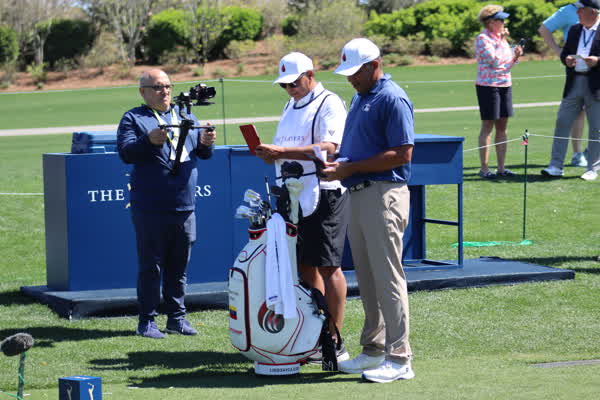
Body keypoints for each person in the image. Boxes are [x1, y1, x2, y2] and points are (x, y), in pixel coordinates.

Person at [322, 38, 415, 383]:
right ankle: (374, 349)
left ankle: (400, 358)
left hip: (383, 194)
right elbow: (361, 149)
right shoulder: (361, 96)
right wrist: (340, 164)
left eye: (355, 72)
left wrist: (351, 168)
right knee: (368, 277)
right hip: (360, 193)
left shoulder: (392, 98)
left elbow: (402, 153)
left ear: (374, 65)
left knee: (388, 277)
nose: (350, 78)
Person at [255, 52, 350, 362]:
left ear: (310, 75)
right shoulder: (290, 106)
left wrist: (281, 151)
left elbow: (329, 148)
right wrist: (272, 155)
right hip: (292, 192)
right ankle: (314, 334)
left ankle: (334, 339)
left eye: (294, 83)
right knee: (305, 266)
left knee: (329, 265)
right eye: (284, 85)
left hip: (324, 191)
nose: (289, 89)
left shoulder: (329, 102)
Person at [117, 69, 217, 338]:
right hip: (151, 206)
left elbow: (202, 154)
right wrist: (148, 141)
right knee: (151, 267)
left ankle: (176, 319)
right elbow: (126, 153)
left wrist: (207, 143)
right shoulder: (133, 118)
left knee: (179, 267)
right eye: (158, 87)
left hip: (185, 205)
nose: (165, 91)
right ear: (143, 92)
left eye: (168, 86)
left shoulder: (186, 116)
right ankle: (147, 321)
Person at [541, 0, 600, 181]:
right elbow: (566, 52)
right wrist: (566, 59)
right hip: (574, 82)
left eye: (581, 10)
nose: (577, 13)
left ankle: (593, 169)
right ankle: (555, 166)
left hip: (596, 86)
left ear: (592, 12)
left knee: (596, 128)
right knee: (562, 122)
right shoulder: (575, 29)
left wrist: (597, 61)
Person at [474, 5, 523, 179]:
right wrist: (503, 43)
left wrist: (515, 56)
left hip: (505, 85)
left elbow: (507, 64)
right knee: (488, 126)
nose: (503, 23)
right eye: (500, 20)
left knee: (502, 127)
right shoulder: (483, 39)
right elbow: (494, 61)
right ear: (490, 22)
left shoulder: (501, 39)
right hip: (488, 86)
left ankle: (501, 168)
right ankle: (484, 168)